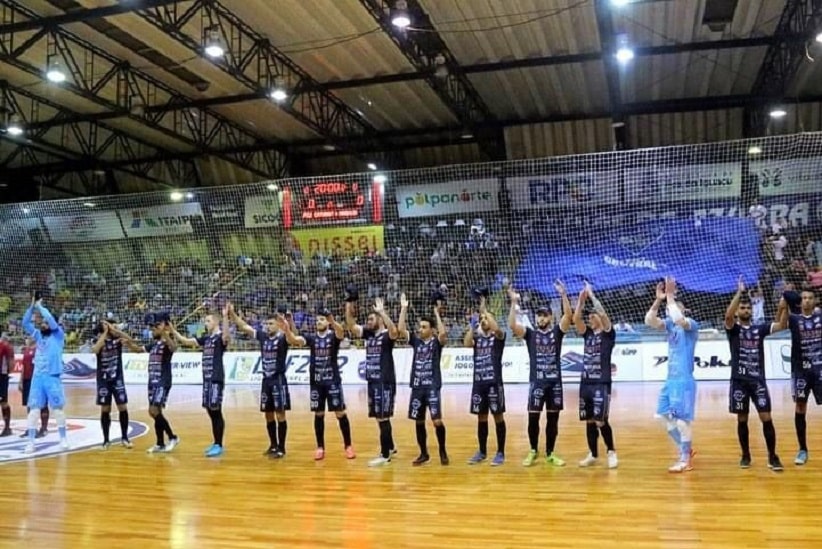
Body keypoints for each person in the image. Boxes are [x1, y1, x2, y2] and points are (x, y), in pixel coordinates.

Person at [723, 277, 786, 471]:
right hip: (739, 382)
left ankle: (773, 456)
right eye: (742, 308)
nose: (745, 310)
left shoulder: (760, 328)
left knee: (766, 418)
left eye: (748, 308)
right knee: (742, 419)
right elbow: (727, 316)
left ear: (752, 311)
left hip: (758, 381)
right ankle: (745, 455)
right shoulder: (733, 330)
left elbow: (781, 326)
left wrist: (785, 306)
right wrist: (739, 293)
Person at [509, 281, 572, 467]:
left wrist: (563, 294)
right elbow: (512, 325)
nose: (541, 319)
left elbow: (568, 316)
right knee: (533, 418)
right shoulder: (530, 334)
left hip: (555, 384)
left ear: (550, 318)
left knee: (553, 420)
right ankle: (533, 450)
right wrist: (513, 302)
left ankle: (550, 453)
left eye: (545, 316)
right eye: (539, 316)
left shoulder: (557, 332)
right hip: (537, 383)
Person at [282, 307, 355, 461]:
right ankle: (320, 447)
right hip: (316, 383)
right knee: (318, 414)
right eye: (317, 320)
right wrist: (287, 328)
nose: (318, 322)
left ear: (327, 322)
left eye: (321, 320)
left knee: (340, 413)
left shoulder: (333, 335)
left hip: (332, 381)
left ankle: (348, 445)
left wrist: (332, 319)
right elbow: (295, 340)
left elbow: (341, 332)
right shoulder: (312, 338)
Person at [644, 277, 698, 473]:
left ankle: (685, 460)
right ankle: (686, 449)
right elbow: (649, 320)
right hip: (670, 380)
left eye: (671, 307)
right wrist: (659, 300)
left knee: (683, 421)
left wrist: (670, 296)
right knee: (662, 416)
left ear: (685, 310)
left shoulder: (690, 325)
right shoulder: (670, 325)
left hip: (684, 381)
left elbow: (677, 317)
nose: (669, 310)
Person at [230, 304, 291, 458]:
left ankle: (282, 448)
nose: (268, 326)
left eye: (271, 324)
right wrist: (232, 314)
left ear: (278, 325)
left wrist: (288, 325)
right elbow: (245, 327)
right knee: (268, 414)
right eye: (266, 324)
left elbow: (294, 337)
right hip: (266, 381)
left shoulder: (283, 338)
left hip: (278, 380)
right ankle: (273, 445)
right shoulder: (263, 337)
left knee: (280, 414)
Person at [345, 297, 399, 467]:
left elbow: (395, 332)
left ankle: (384, 455)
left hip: (385, 382)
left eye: (371, 319)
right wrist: (349, 304)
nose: (368, 322)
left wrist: (382, 312)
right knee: (379, 418)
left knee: (383, 418)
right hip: (373, 382)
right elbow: (352, 326)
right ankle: (390, 447)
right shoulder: (369, 335)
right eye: (367, 319)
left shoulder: (386, 336)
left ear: (380, 321)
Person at [397, 293, 449, 466]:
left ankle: (442, 450)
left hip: (432, 387)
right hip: (417, 387)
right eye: (420, 327)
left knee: (437, 421)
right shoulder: (416, 342)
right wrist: (403, 308)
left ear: (431, 330)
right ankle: (424, 453)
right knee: (418, 421)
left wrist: (436, 313)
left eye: (424, 327)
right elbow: (401, 329)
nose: (420, 329)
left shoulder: (436, 342)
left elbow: (443, 333)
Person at [172, 308, 230, 458]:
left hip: (216, 378)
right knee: (210, 410)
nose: (205, 323)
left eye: (208, 321)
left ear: (216, 322)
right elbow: (186, 341)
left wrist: (225, 317)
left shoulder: (219, 338)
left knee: (216, 410)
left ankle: (219, 444)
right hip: (206, 379)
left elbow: (226, 336)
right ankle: (215, 442)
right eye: (205, 321)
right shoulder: (206, 338)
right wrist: (172, 330)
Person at [574, 282, 618, 469]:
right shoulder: (588, 334)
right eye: (589, 315)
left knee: (601, 420)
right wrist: (580, 302)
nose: (590, 318)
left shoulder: (608, 334)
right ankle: (593, 453)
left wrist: (591, 295)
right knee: (590, 420)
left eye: (593, 315)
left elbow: (604, 315)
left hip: (601, 383)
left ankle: (611, 451)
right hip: (586, 384)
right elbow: (575, 319)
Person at [123, 312, 179, 454]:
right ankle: (160, 443)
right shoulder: (154, 344)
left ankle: (172, 437)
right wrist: (128, 344)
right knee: (156, 413)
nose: (152, 330)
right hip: (152, 381)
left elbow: (174, 347)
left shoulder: (167, 342)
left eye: (154, 328)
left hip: (163, 380)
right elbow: (138, 350)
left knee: (153, 411)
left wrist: (165, 333)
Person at [21, 296, 69, 453]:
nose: (43, 323)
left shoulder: (58, 335)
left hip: (52, 377)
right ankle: (31, 442)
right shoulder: (38, 335)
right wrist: (31, 308)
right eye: (42, 322)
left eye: (45, 322)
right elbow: (25, 323)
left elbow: (50, 319)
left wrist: (40, 307)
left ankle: (63, 439)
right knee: (34, 409)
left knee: (57, 409)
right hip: (37, 378)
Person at [465, 294, 507, 466]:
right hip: (479, 384)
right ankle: (482, 451)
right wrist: (473, 324)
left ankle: (500, 452)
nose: (483, 321)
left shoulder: (498, 338)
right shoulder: (478, 339)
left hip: (494, 384)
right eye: (482, 319)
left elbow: (497, 329)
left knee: (498, 416)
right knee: (481, 418)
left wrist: (484, 311)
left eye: (485, 319)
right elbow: (467, 343)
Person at [787, 288, 822, 465]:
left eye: (810, 298)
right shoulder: (793, 319)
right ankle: (802, 449)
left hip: (820, 369)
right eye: (804, 298)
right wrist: (786, 296)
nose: (807, 301)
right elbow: (780, 316)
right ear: (800, 302)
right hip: (801, 371)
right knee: (800, 407)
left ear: (815, 301)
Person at [91, 321, 135, 449]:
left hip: (117, 379)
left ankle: (125, 438)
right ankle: (106, 440)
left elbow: (130, 339)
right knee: (105, 409)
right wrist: (105, 333)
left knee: (122, 407)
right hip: (103, 380)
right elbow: (95, 350)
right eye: (106, 325)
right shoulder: (98, 340)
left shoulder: (117, 339)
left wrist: (116, 331)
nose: (109, 326)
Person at [18, 337, 48, 438]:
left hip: (38, 379)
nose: (26, 338)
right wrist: (20, 381)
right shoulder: (26, 350)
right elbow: (23, 367)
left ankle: (44, 429)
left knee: (42, 404)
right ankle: (31, 428)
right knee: (29, 404)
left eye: (28, 337)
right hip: (27, 380)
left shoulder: (40, 349)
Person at [0, 332, 14, 436]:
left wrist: (7, 372)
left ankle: (7, 428)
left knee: (3, 402)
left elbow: (11, 363)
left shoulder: (5, 346)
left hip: (2, 376)